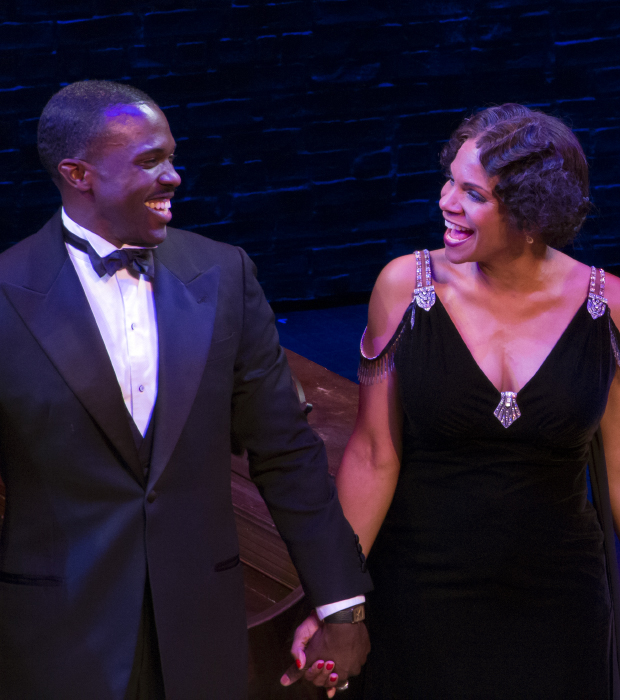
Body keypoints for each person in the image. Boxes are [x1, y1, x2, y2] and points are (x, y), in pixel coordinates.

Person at [0, 80, 372, 700]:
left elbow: (285, 452)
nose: (173, 176)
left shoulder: (224, 274)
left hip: (201, 632)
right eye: (149, 161)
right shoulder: (7, 292)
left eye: (172, 156)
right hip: (51, 641)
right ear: (78, 173)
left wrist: (342, 607)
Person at [289, 103, 620, 698]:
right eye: (450, 180)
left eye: (473, 193)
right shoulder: (404, 286)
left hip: (559, 596)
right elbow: (373, 453)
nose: (446, 201)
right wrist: (336, 600)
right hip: (419, 584)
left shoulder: (609, 306)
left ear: (531, 214)